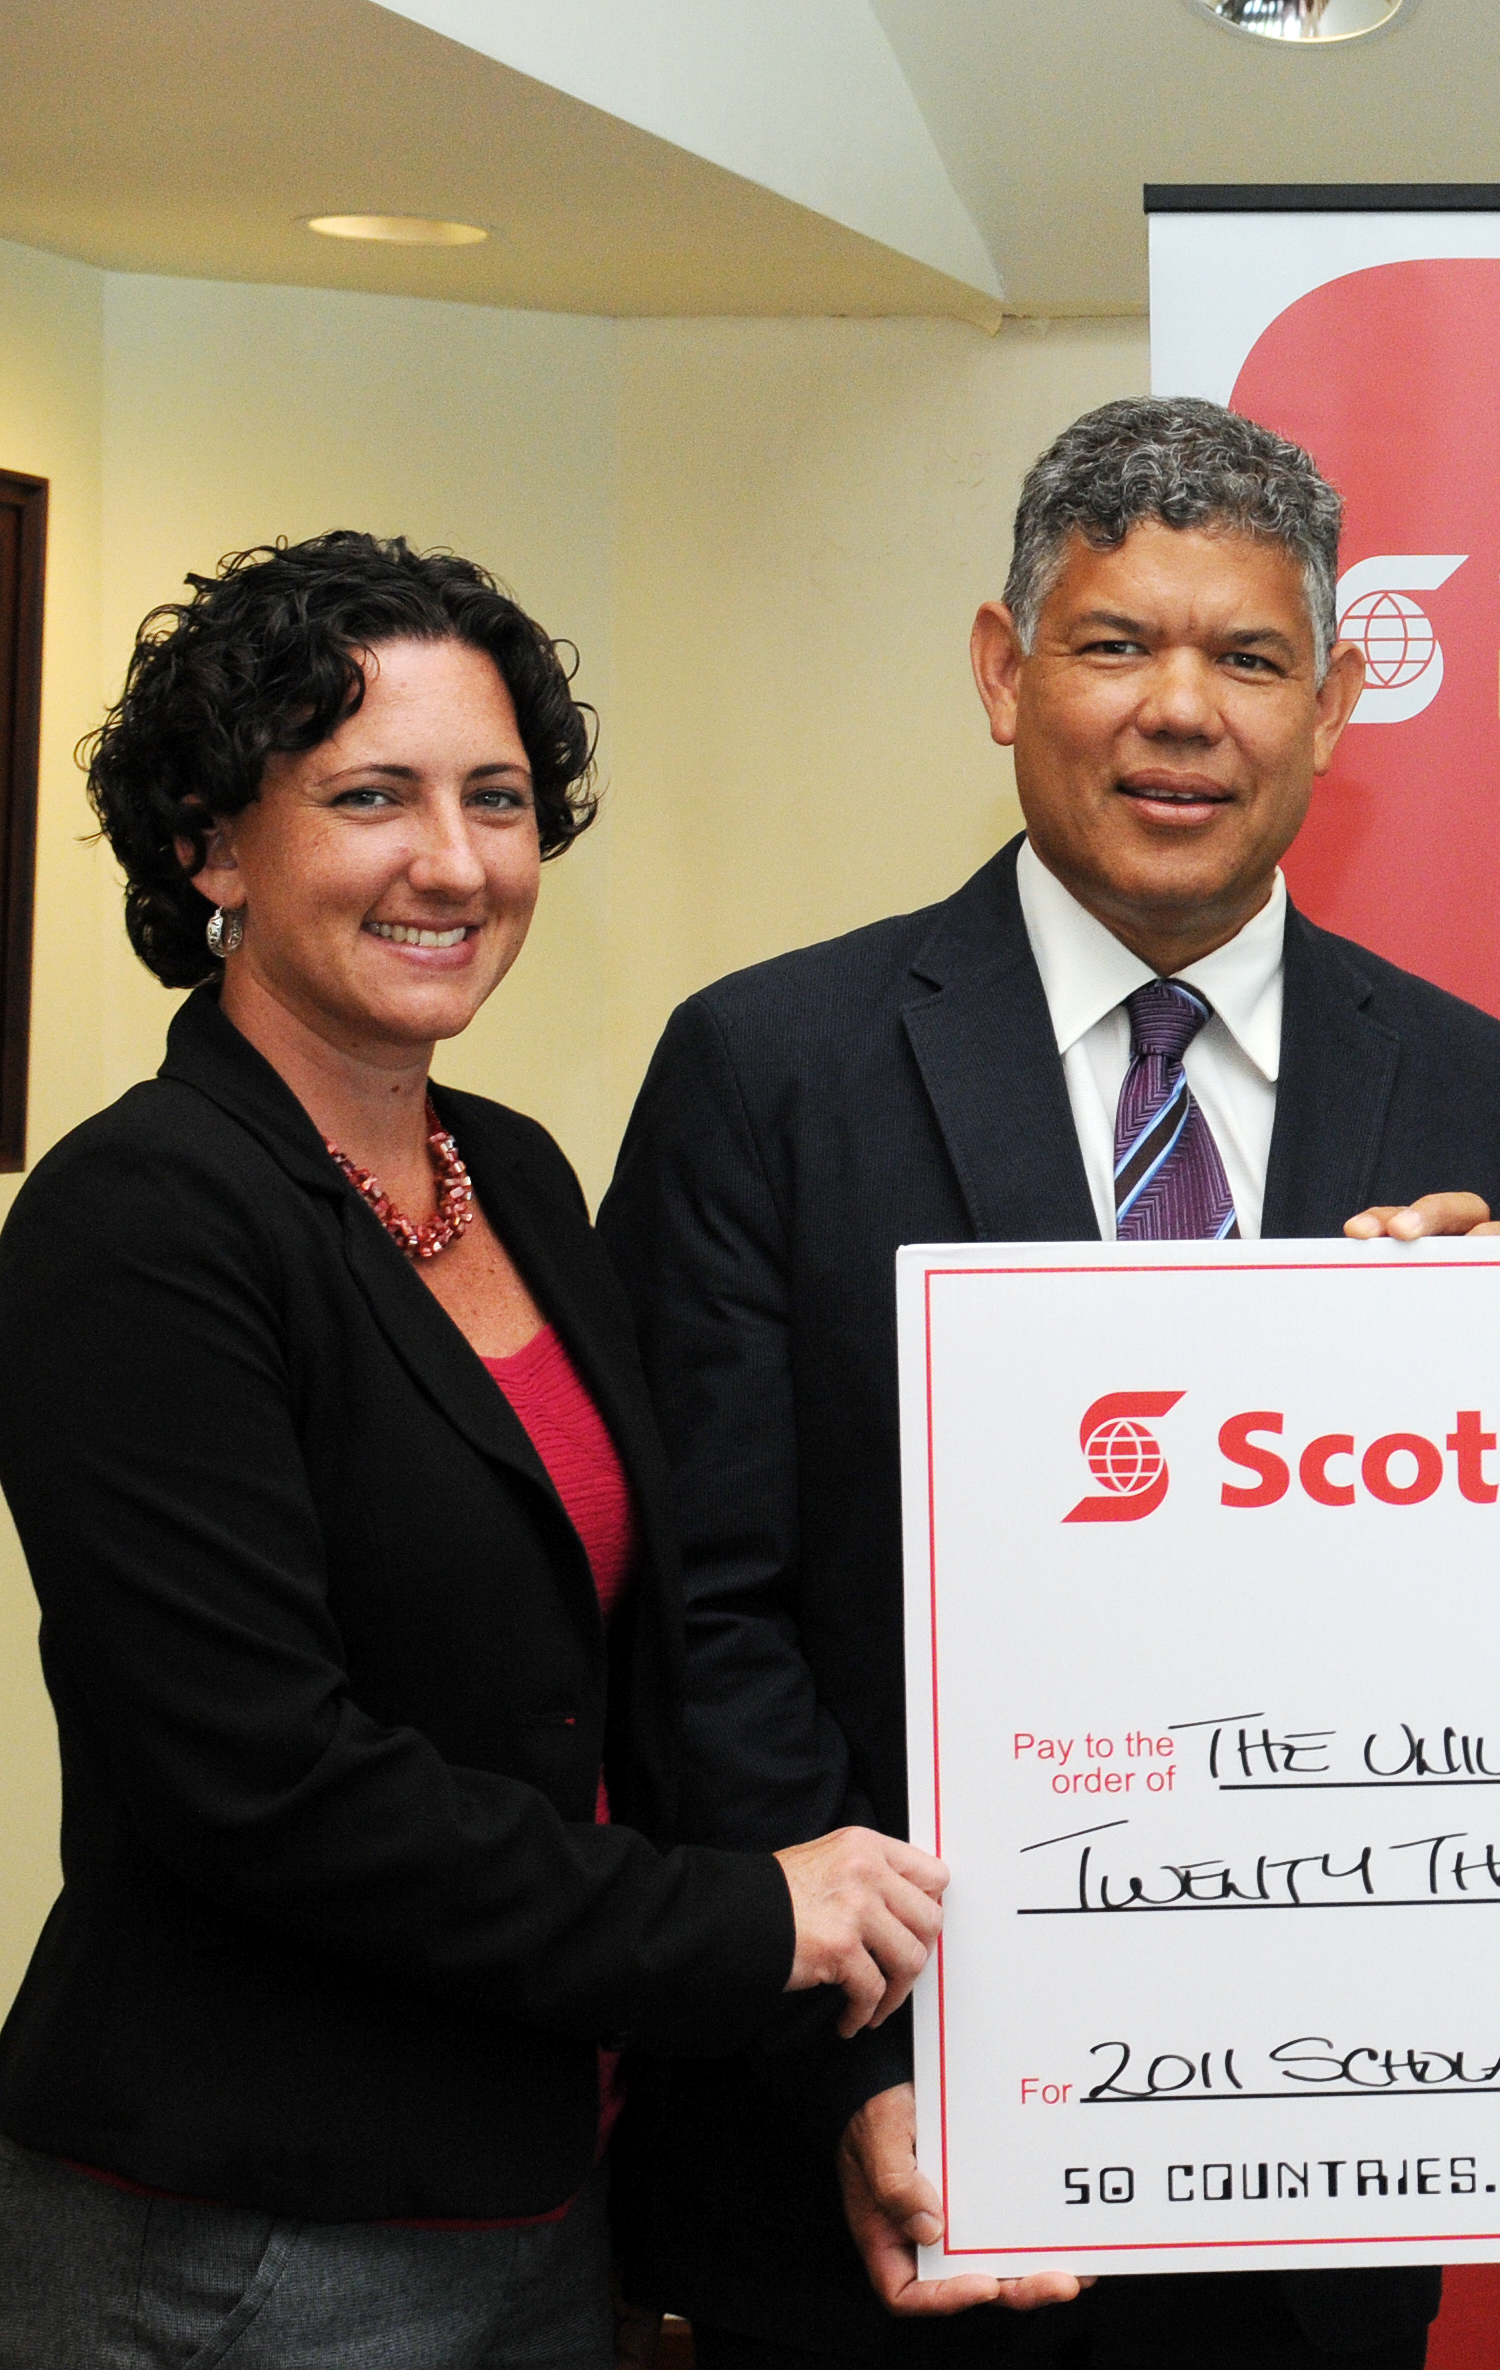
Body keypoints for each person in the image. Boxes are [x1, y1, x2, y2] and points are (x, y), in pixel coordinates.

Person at [602, 397, 1500, 2368]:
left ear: (1339, 700)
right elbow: (703, 1621)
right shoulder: (767, 1069)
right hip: (875, 2156)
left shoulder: (1478, 1091)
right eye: (1115, 644)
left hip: (1327, 2153)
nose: (1180, 714)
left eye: (1249, 656)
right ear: (1001, 669)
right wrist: (852, 2070)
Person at [0, 534, 946, 2369]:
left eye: (497, 799)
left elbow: (633, 1664)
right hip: (242, 2243)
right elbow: (259, 1779)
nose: (453, 862)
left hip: (538, 2180)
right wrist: (731, 1916)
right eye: (371, 795)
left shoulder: (507, 1169)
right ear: (209, 842)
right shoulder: (137, 1223)